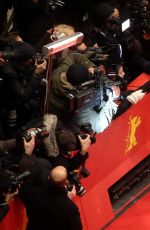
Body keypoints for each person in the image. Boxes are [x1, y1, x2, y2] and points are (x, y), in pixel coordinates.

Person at [0, 41, 47, 137]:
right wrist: (36, 73)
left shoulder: (19, 62)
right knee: (10, 128)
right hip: (10, 104)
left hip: (20, 103)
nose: (32, 60)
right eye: (30, 59)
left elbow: (25, 71)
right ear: (22, 60)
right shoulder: (9, 72)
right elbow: (23, 95)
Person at [19, 164, 83, 230]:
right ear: (66, 182)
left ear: (48, 178)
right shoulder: (70, 208)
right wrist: (67, 200)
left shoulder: (32, 192)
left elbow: (22, 191)